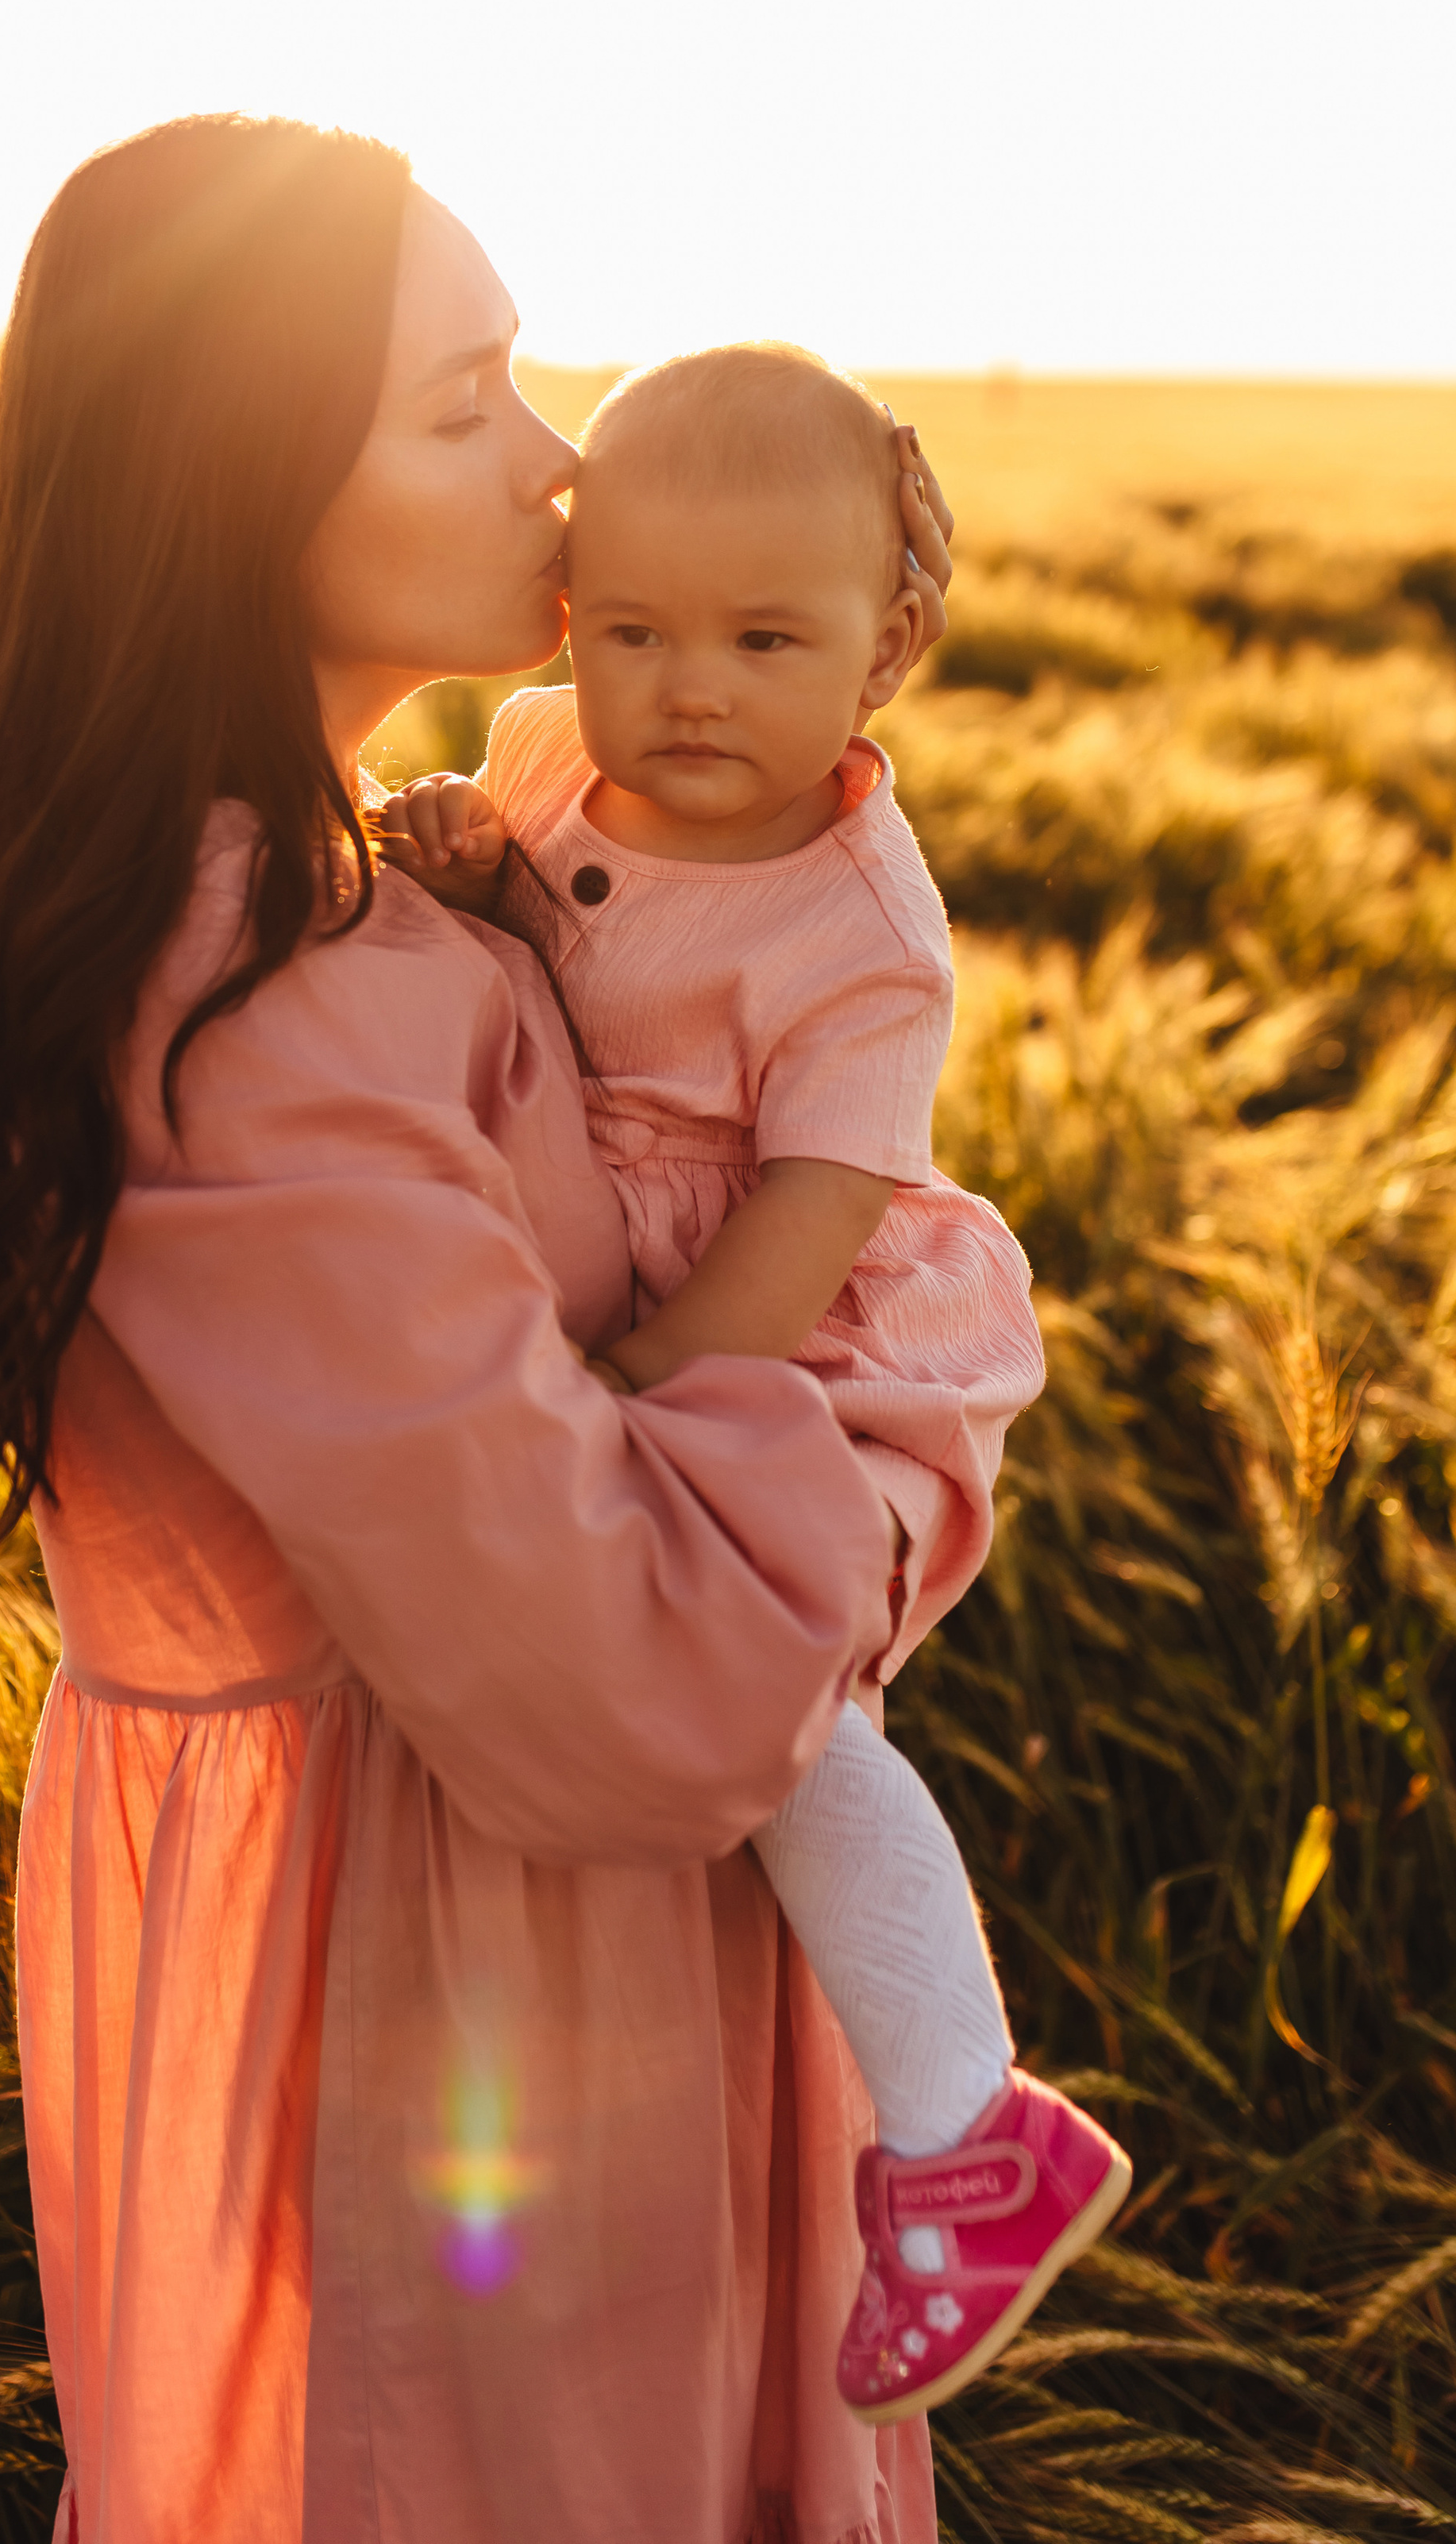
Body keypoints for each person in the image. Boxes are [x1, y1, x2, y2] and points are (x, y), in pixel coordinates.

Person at [0, 114, 973, 2544]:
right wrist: (908, 1428)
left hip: (515, 1954)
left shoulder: (362, 881)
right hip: (455, 2004)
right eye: (468, 402)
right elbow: (624, 1678)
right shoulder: (238, 987)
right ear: (235, 478)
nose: (569, 469)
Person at [378, 341, 1131, 2423]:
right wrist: (435, 838)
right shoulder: (543, 754)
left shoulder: (864, 928)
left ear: (885, 649)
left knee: (786, 1702)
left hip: (784, 1330)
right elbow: (486, 891)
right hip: (636, 1303)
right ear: (566, 617)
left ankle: (968, 2122)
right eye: (634, 629)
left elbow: (813, 1216)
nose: (688, 687)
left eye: (760, 638)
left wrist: (642, 1389)